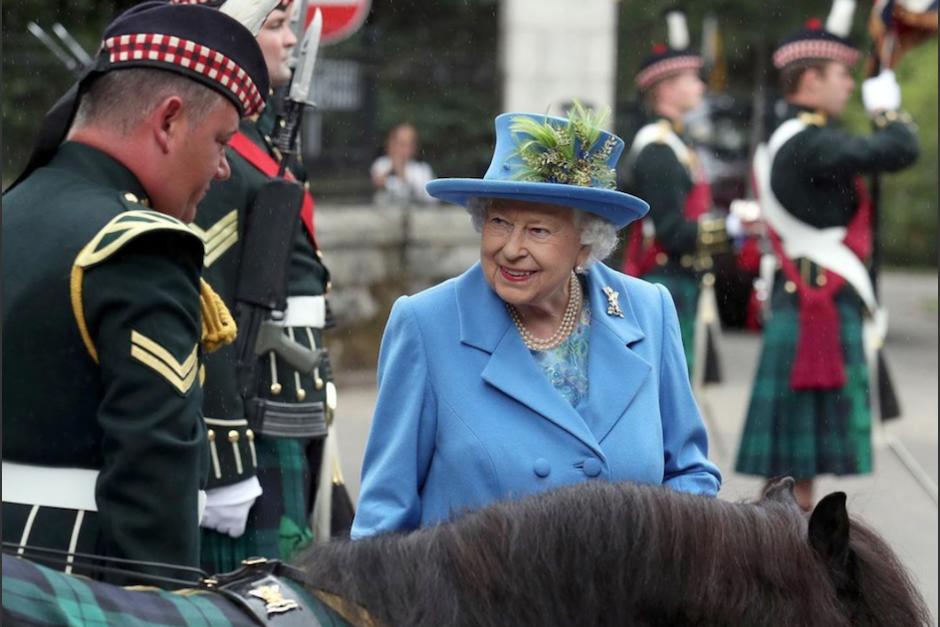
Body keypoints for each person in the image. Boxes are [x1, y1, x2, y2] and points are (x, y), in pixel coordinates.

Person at [352, 104, 721, 538]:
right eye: (499, 222)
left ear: (586, 244)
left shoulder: (648, 310)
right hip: (478, 604)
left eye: (539, 230)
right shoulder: (426, 324)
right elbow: (383, 522)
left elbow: (690, 475)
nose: (511, 248)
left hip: (625, 601)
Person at [1, 1, 270, 581]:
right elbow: (154, 485)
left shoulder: (12, 210)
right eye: (222, 140)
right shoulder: (139, 248)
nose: (223, 168)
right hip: (68, 578)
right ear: (169, 121)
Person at [735, 3, 919, 511]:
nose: (849, 85)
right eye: (841, 74)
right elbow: (900, 149)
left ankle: (786, 554)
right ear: (810, 80)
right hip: (816, 306)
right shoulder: (807, 145)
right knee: (796, 465)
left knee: (798, 463)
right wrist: (885, 103)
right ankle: (787, 557)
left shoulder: (798, 140)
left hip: (815, 300)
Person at [192, 0, 349, 574]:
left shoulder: (260, 137)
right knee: (259, 582)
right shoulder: (221, 153)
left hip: (295, 391)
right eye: (275, 25)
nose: (290, 40)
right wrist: (224, 449)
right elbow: (206, 303)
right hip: (255, 399)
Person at [621, 9, 726, 378]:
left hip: (679, 279)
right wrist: (730, 232)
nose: (701, 86)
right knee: (665, 389)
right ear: (665, 89)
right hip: (663, 278)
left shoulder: (676, 143)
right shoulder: (659, 149)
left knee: (677, 384)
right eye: (691, 78)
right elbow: (671, 231)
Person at [370, 122, 436, 206]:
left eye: (409, 144)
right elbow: (377, 184)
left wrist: (401, 174)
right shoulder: (381, 164)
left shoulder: (422, 170)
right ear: (391, 144)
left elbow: (430, 199)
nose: (405, 149)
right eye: (401, 144)